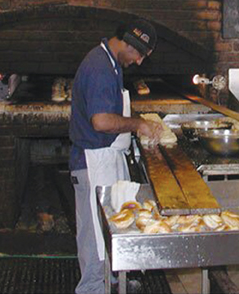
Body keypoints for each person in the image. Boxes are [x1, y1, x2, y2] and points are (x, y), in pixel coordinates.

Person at [69, 19, 163, 294]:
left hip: (106, 158)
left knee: (110, 227)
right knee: (93, 238)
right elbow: (100, 121)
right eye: (138, 55)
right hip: (92, 163)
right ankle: (91, 289)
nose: (138, 63)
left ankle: (111, 281)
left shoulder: (110, 62)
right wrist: (138, 125)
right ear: (127, 44)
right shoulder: (99, 67)